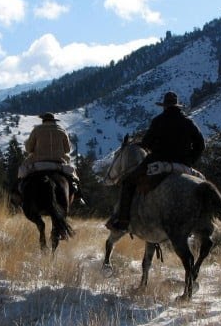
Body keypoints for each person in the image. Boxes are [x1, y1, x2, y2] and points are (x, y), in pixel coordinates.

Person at [108, 91, 205, 231]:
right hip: (183, 164)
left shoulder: (159, 121)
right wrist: (189, 160)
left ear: (164, 106)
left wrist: (143, 144)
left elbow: (147, 143)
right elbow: (201, 145)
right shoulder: (188, 122)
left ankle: (123, 221)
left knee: (128, 181)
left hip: (159, 161)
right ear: (177, 106)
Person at [17, 112, 85, 204]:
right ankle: (78, 196)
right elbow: (67, 150)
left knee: (22, 172)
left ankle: (17, 195)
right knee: (74, 177)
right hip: (59, 163)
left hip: (38, 163)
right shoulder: (62, 130)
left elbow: (29, 149)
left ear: (43, 120)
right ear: (53, 121)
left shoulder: (37, 130)